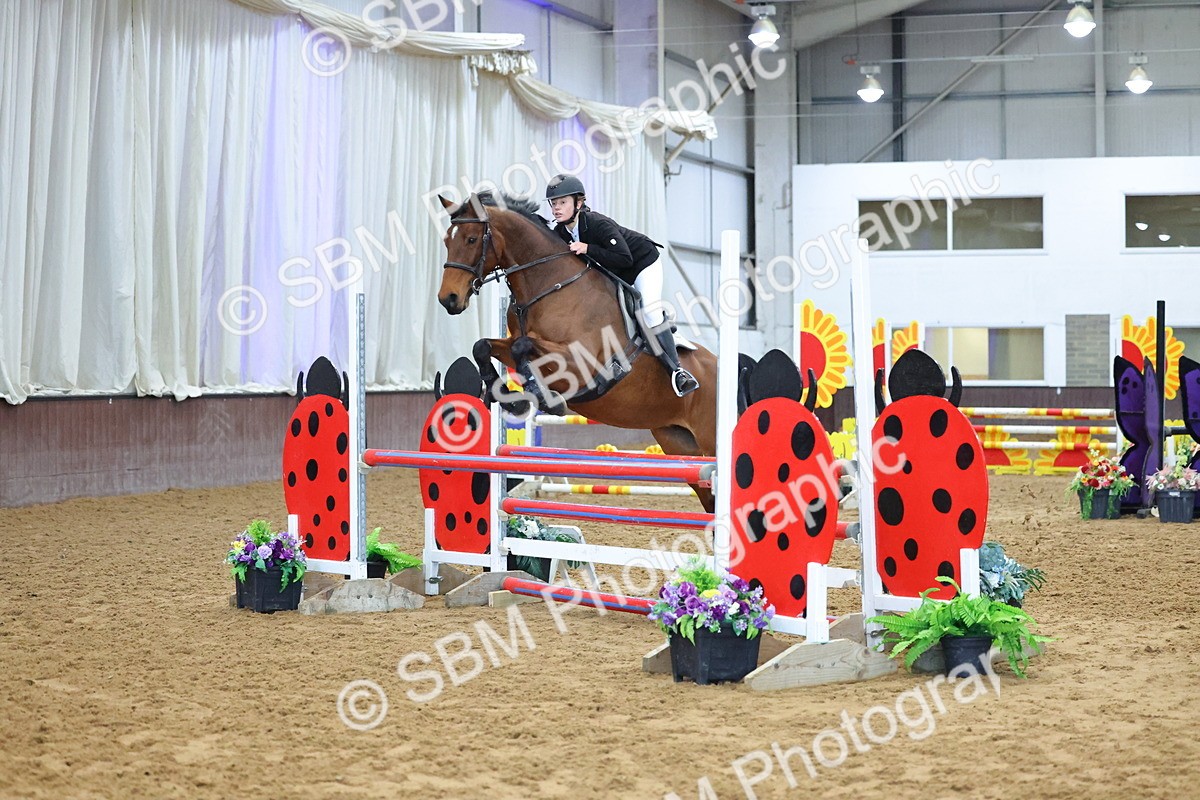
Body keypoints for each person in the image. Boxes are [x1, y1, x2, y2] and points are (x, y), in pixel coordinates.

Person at [544, 174, 699, 398]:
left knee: (649, 312)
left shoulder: (597, 223)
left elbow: (624, 258)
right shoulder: (561, 233)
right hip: (614, 273)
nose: (557, 209)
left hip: (642, 263)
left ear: (578, 203)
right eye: (554, 204)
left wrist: (588, 248)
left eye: (562, 202)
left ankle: (677, 371)